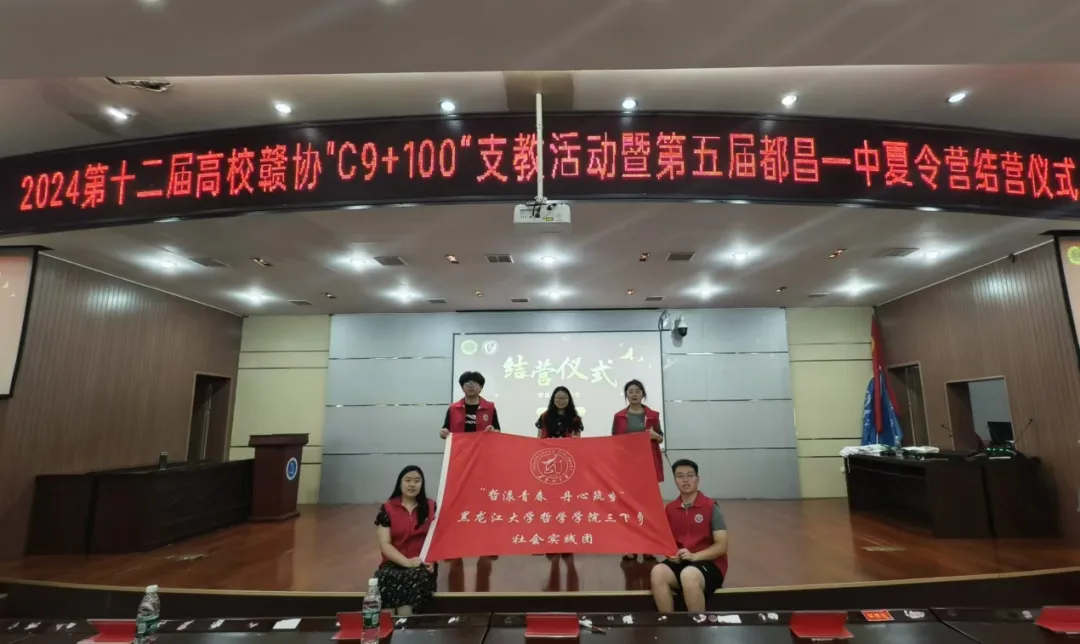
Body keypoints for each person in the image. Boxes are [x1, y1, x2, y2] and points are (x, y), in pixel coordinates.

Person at [649, 459, 729, 613]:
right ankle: (669, 622)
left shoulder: (711, 507)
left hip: (709, 563)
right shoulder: (670, 509)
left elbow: (722, 546)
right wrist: (670, 554)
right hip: (682, 561)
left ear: (697, 479)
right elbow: (666, 542)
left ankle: (697, 625)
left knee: (688, 575)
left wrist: (694, 556)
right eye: (680, 476)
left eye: (690, 475)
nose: (685, 480)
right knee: (657, 572)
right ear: (675, 480)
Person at [374, 465, 438, 616]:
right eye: (408, 480)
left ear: (422, 484)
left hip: (421, 563)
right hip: (393, 562)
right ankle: (388, 624)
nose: (412, 484)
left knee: (412, 579)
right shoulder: (388, 508)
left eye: (417, 481)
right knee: (383, 577)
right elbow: (385, 544)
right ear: (400, 483)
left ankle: (405, 623)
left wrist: (432, 559)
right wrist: (407, 562)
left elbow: (438, 538)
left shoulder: (431, 506)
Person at [612, 379, 664, 561]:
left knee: (648, 507)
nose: (634, 394)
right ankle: (630, 545)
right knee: (628, 506)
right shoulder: (619, 416)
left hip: (647, 466)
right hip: (627, 467)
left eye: (637, 391)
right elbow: (614, 441)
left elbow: (660, 438)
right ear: (626, 395)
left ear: (643, 394)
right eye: (630, 391)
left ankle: (648, 545)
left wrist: (654, 436)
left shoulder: (652, 415)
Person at [440, 371, 500, 438]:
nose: (471, 386)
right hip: (460, 444)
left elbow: (497, 430)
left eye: (475, 383)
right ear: (462, 388)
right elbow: (444, 431)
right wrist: (443, 433)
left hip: (483, 444)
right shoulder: (453, 408)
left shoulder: (490, 408)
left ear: (481, 387)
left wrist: (493, 431)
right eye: (467, 383)